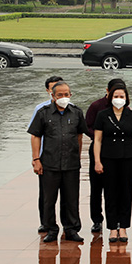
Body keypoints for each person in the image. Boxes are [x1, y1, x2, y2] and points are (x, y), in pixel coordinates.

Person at [29, 81, 87, 243]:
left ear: (71, 95)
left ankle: (71, 229)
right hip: (49, 163)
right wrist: (36, 159)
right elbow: (35, 136)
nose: (63, 97)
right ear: (53, 96)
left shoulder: (76, 112)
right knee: (49, 198)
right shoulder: (43, 113)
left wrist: (78, 154)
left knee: (71, 198)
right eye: (59, 95)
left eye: (66, 94)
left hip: (71, 163)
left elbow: (79, 135)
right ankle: (51, 229)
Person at [92, 82, 132, 243]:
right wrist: (97, 161)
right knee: (110, 193)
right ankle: (113, 228)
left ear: (126, 98)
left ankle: (123, 227)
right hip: (108, 157)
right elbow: (97, 140)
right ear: (110, 97)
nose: (118, 99)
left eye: (121, 96)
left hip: (127, 157)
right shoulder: (103, 115)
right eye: (116, 96)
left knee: (126, 193)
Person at [84, 79, 124, 235]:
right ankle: (97, 220)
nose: (118, 98)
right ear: (108, 91)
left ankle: (117, 219)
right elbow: (87, 126)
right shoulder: (96, 106)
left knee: (116, 188)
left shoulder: (123, 107)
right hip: (98, 150)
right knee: (96, 188)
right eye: (115, 93)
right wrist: (102, 136)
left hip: (116, 153)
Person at [30, 75, 64, 234]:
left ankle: (69, 225)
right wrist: (36, 158)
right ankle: (46, 222)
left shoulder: (72, 109)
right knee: (46, 194)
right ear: (48, 91)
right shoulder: (40, 110)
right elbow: (35, 134)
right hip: (46, 157)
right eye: (53, 89)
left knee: (67, 193)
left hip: (65, 159)